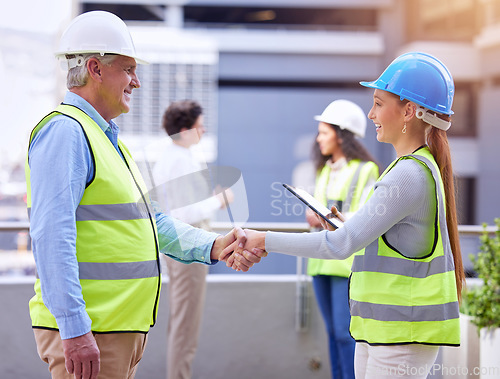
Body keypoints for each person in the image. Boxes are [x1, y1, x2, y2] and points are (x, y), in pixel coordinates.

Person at [25, 11, 259, 379]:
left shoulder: (106, 139)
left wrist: (214, 245)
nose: (137, 82)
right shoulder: (66, 134)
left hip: (114, 331)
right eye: (129, 69)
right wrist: (74, 327)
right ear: (95, 69)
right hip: (93, 334)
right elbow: (51, 238)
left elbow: (152, 222)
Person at [225, 52, 465, 378]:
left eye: (379, 103)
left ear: (409, 110)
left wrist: (263, 239)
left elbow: (341, 246)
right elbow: (383, 237)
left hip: (399, 334)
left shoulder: (407, 175)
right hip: (387, 330)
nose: (371, 114)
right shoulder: (411, 169)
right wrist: (347, 223)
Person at [152, 100, 234, 379]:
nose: (204, 130)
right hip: (187, 242)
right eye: (200, 126)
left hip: (181, 242)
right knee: (186, 322)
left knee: (182, 319)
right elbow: (186, 211)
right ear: (185, 130)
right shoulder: (180, 160)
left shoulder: (174, 157)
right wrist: (219, 200)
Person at [305, 99, 379, 379]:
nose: (319, 138)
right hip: (320, 262)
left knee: (345, 335)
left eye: (324, 132)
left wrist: (327, 216)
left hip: (345, 263)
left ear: (341, 133)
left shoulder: (366, 170)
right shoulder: (324, 170)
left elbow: (366, 214)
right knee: (333, 336)